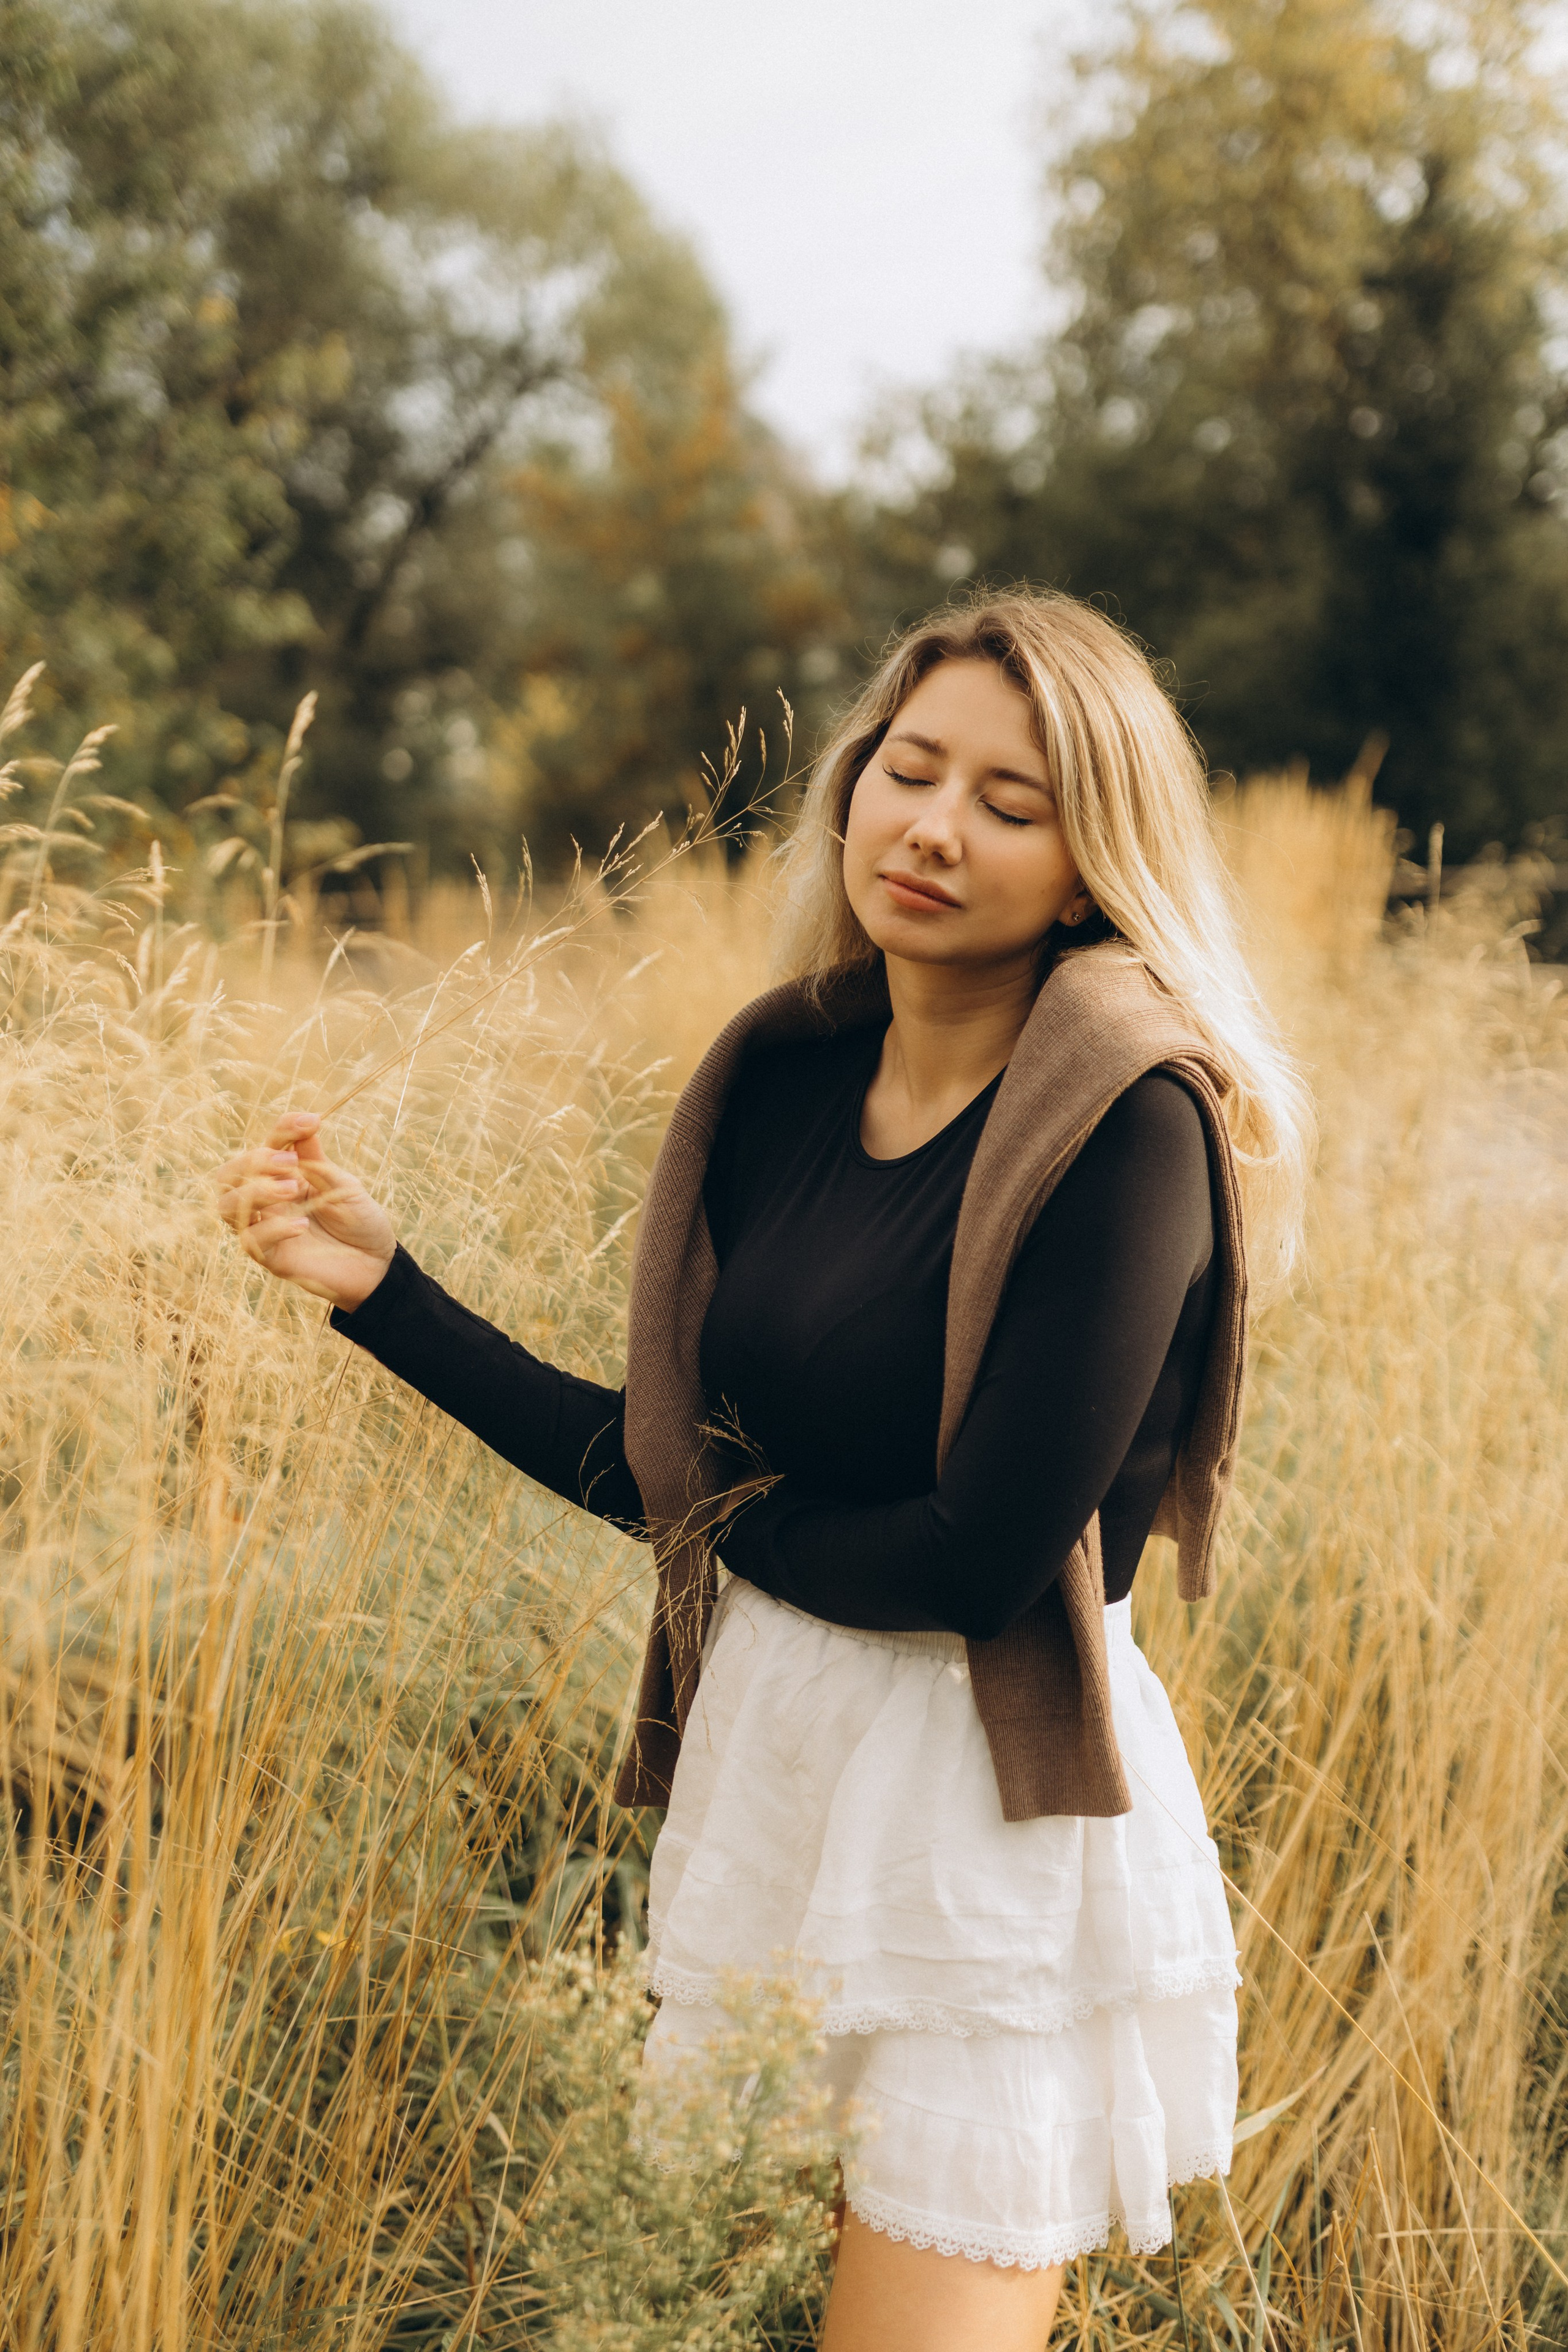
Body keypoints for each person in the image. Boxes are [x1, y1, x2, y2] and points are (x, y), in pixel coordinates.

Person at [217, 590, 1311, 2351]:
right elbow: (679, 1469)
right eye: (911, 766)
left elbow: (972, 1563)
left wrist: (725, 1516)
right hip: (778, 1749)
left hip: (977, 1798)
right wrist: (389, 1296)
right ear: (855, 782)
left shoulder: (1132, 1121)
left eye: (1011, 803)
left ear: (1096, 857)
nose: (935, 827)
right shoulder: (788, 1074)